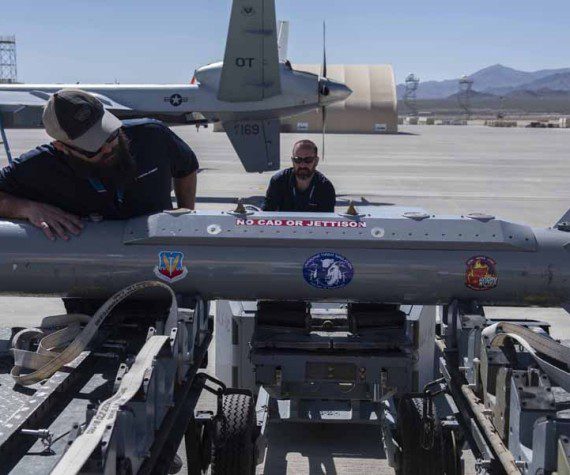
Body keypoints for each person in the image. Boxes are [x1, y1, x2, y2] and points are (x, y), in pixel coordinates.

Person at [0, 89, 199, 240]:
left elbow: (186, 168)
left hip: (157, 260)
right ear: (62, 148)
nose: (107, 148)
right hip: (90, 277)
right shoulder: (41, 166)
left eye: (110, 134)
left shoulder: (153, 135)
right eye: (92, 147)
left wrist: (186, 213)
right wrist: (25, 208)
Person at [262, 139, 335, 212]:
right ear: (292, 161)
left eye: (308, 160)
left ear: (316, 161)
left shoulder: (325, 187)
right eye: (297, 160)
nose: (302, 165)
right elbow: (266, 214)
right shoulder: (279, 181)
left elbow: (328, 220)